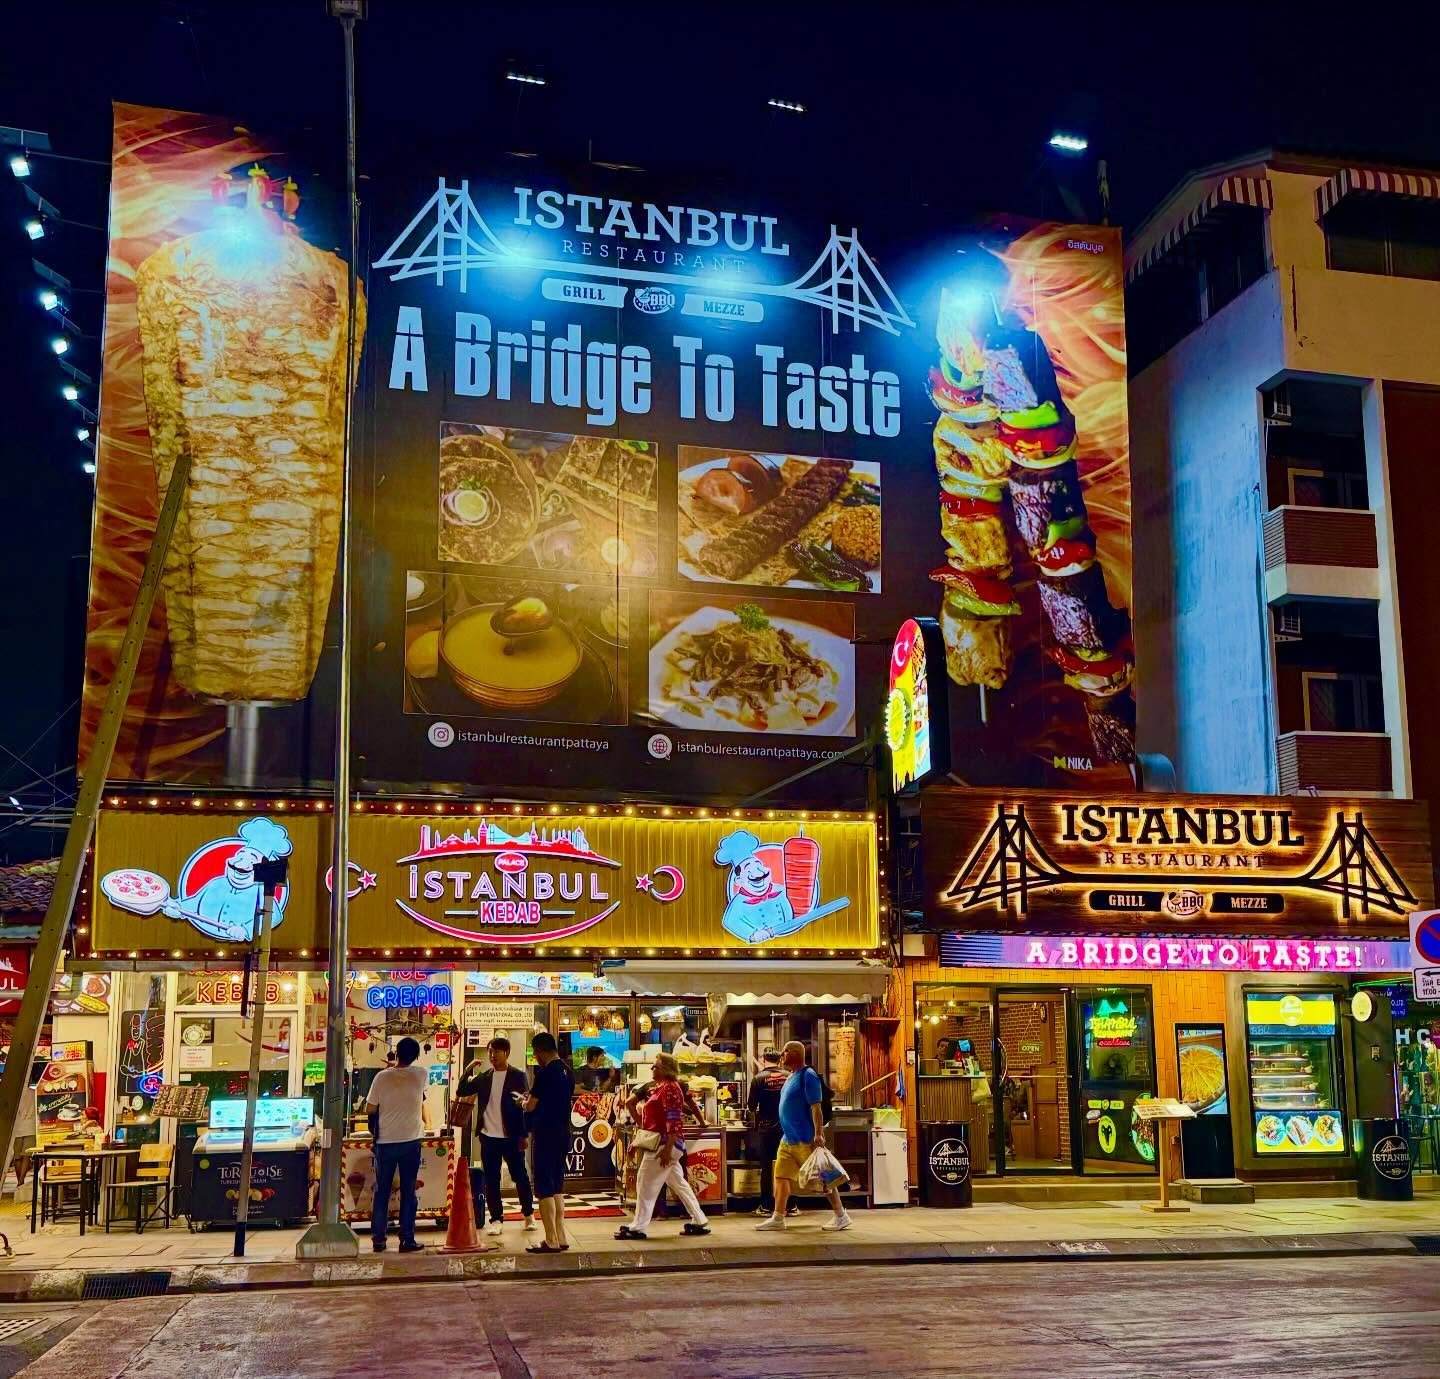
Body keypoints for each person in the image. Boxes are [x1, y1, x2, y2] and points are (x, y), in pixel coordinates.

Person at [755, 1040, 850, 1233]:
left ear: (796, 1054)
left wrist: (818, 1134)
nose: (782, 1054)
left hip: (806, 1139)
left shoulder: (808, 1075)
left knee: (825, 1178)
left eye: (785, 1051)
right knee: (781, 1176)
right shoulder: (791, 1076)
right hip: (788, 1139)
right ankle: (778, 1218)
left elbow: (816, 1108)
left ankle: (841, 1216)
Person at [614, 1053, 710, 1241]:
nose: (652, 1069)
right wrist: (638, 1140)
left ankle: (638, 1227)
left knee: (645, 1183)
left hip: (663, 1145)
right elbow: (652, 1121)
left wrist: (667, 1149)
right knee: (679, 1183)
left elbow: (673, 1120)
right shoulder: (661, 1088)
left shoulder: (670, 1089)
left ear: (666, 1069)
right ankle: (699, 1220)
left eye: (655, 1066)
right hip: (663, 1143)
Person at [456, 1036, 536, 1237]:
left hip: (511, 1136)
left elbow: (523, 1107)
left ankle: (528, 1214)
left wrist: (524, 1134)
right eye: (490, 1052)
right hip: (488, 1136)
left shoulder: (518, 1076)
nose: (492, 1056)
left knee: (520, 1177)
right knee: (491, 1179)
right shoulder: (485, 1076)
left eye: (496, 1052)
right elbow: (462, 1090)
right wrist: (468, 1070)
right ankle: (496, 1219)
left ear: (506, 1053)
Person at [365, 1036, 427, 1253]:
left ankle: (379, 1240)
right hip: (411, 1142)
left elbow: (369, 1110)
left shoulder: (381, 1078)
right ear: (417, 1056)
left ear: (397, 1053)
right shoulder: (421, 1074)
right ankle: (407, 1239)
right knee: (408, 1192)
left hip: (385, 1143)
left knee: (382, 1191)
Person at [521, 1031, 572, 1253]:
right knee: (557, 1184)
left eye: (535, 1052)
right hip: (563, 1131)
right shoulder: (567, 1071)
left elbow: (531, 1105)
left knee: (544, 1187)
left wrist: (523, 1103)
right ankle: (561, 1237)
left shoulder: (545, 1073)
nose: (536, 1057)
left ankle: (550, 1239)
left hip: (545, 1133)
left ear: (541, 1050)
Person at [747, 1048, 797, 1218]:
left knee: (767, 1167)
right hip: (788, 1128)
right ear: (779, 1060)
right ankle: (791, 1206)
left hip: (767, 1128)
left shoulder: (759, 1078)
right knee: (789, 1167)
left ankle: (767, 1206)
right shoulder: (790, 1076)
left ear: (763, 1059)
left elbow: (751, 1106)